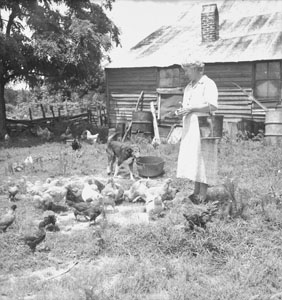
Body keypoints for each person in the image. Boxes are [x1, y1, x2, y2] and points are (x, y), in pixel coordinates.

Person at [176, 59, 219, 203]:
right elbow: (188, 105)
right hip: (190, 126)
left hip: (203, 126)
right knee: (194, 158)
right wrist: (183, 110)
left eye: (187, 70)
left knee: (203, 159)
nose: (185, 73)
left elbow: (212, 105)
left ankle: (202, 195)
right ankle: (195, 192)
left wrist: (192, 108)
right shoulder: (189, 86)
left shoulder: (208, 84)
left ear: (195, 69)